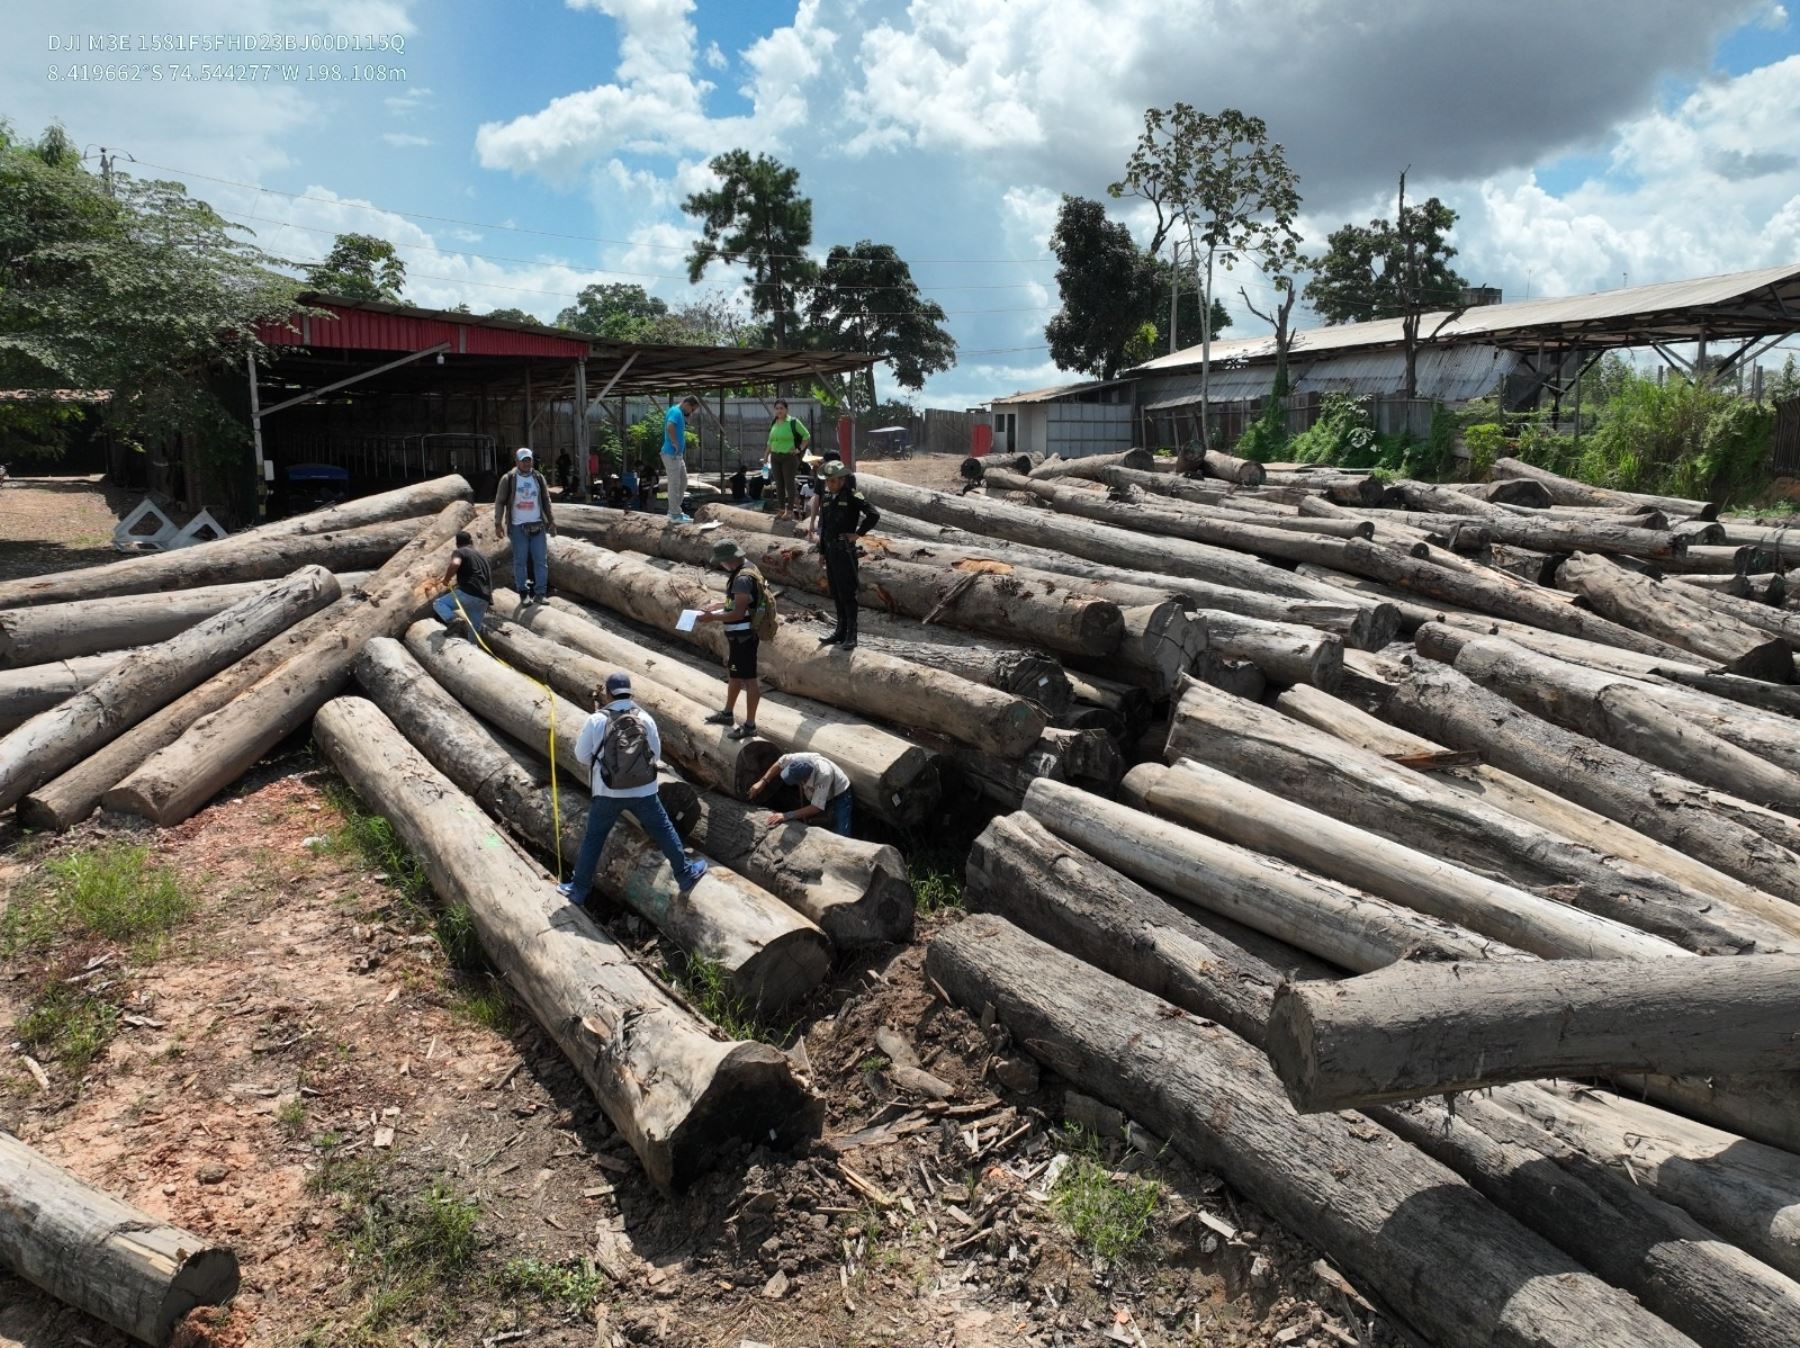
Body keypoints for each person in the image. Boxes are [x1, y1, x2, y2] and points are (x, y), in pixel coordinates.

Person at [559, 673, 707, 906]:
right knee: (663, 829)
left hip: (607, 792)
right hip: (644, 792)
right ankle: (685, 874)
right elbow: (655, 756)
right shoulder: (645, 718)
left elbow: (581, 756)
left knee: (593, 839)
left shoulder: (597, 720)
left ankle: (578, 890)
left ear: (607, 693)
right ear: (629, 692)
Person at [697, 539, 771, 740]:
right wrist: (719, 604)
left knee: (749, 679)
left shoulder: (742, 579)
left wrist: (711, 617)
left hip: (743, 637)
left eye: (721, 561)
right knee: (735, 675)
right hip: (740, 637)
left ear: (729, 559)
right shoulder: (749, 567)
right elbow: (743, 602)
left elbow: (738, 613)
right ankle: (728, 713)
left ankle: (750, 726)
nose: (721, 565)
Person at [815, 460, 879, 650]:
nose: (830, 485)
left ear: (842, 480)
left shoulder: (852, 496)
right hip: (831, 550)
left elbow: (873, 514)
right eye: (827, 481)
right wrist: (822, 552)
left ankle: (852, 634)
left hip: (845, 551)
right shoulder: (826, 498)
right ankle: (840, 631)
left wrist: (858, 534)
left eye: (833, 481)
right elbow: (824, 527)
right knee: (836, 593)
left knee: (847, 593)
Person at [493, 447, 557, 604]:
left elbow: (545, 500)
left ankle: (540, 593)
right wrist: (498, 522)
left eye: (529, 460)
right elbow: (500, 501)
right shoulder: (509, 478)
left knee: (540, 560)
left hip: (538, 525)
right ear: (517, 462)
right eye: (524, 460)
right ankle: (523, 593)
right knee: (520, 561)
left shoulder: (538, 478)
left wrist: (551, 520)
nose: (527, 463)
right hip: (517, 527)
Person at [749, 751, 853, 836]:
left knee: (841, 833)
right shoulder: (798, 759)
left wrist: (786, 816)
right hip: (815, 789)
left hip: (840, 795)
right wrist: (763, 781)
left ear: (804, 780)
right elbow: (780, 762)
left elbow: (816, 807)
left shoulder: (824, 775)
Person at [433, 530, 493, 637]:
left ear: (457, 544)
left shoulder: (460, 551)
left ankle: (453, 621)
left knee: (439, 604)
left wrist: (446, 580)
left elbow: (455, 563)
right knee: (474, 633)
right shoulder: (482, 557)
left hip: (469, 591)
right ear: (471, 541)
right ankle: (474, 650)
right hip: (484, 598)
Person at [765, 399, 808, 519]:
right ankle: (780, 510)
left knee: (789, 483)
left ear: (786, 409)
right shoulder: (774, 422)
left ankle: (789, 511)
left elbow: (806, 436)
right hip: (775, 456)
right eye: (777, 408)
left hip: (789, 457)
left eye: (781, 408)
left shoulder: (793, 422)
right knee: (779, 484)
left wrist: (799, 449)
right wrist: (765, 456)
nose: (779, 411)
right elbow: (770, 441)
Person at [663, 394, 700, 523]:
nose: (692, 412)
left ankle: (674, 510)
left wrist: (689, 414)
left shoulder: (680, 412)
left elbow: (688, 421)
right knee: (674, 484)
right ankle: (674, 514)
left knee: (683, 482)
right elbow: (670, 426)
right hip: (671, 454)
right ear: (687, 404)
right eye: (692, 409)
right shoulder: (675, 412)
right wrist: (674, 442)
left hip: (677, 455)